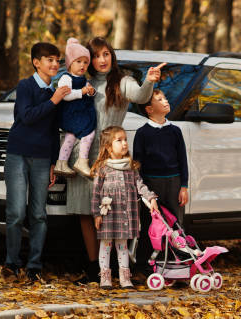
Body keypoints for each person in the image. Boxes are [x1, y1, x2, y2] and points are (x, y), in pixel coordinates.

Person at [66, 36, 165, 284]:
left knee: (109, 210)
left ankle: (113, 268)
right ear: (89, 60)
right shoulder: (82, 81)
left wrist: (149, 83)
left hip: (110, 157)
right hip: (82, 155)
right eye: (96, 56)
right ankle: (94, 268)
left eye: (106, 54)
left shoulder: (122, 82)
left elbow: (141, 96)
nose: (101, 60)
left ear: (112, 55)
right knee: (85, 213)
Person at [3, 42, 71, 282]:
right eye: (49, 60)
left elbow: (54, 130)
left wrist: (54, 162)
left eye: (57, 60)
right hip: (18, 155)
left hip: (43, 159)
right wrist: (54, 100)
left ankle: (34, 266)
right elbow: (27, 116)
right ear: (36, 62)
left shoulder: (56, 92)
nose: (55, 64)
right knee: (15, 212)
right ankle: (11, 263)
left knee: (39, 214)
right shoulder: (26, 86)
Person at [90, 126, 159, 289]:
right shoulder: (102, 168)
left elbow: (140, 186)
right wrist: (96, 214)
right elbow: (95, 193)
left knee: (122, 245)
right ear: (108, 147)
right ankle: (105, 277)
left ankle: (124, 277)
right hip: (108, 214)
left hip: (125, 214)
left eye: (125, 140)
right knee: (106, 244)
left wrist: (151, 198)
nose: (124, 143)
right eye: (119, 140)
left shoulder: (131, 167)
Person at [133, 89, 189, 277]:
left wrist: (184, 186)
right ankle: (145, 265)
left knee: (175, 224)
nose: (166, 101)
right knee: (151, 225)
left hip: (173, 183)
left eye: (165, 97)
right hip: (152, 186)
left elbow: (183, 160)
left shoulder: (175, 131)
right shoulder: (142, 133)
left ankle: (177, 265)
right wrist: (144, 191)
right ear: (149, 109)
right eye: (160, 99)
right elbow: (137, 164)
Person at [54, 38, 96, 178]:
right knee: (89, 132)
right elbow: (65, 95)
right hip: (70, 113)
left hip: (79, 113)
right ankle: (82, 161)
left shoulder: (84, 79)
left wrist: (91, 92)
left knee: (70, 137)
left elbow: (88, 91)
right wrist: (81, 92)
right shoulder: (66, 78)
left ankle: (61, 163)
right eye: (78, 62)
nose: (82, 65)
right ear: (70, 63)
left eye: (85, 62)